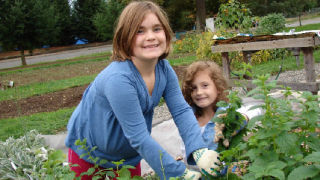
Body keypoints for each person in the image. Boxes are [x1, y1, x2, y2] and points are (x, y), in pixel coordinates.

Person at [65, 1, 220, 179]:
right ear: (125, 37)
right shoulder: (119, 80)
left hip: (127, 155)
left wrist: (199, 150)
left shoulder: (164, 69)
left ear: (166, 34)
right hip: (89, 151)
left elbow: (181, 110)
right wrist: (179, 173)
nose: (151, 36)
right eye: (140, 31)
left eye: (156, 29)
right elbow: (139, 136)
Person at [181, 61, 253, 175]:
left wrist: (243, 117)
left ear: (218, 87)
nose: (199, 92)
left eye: (205, 86)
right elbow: (187, 152)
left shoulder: (226, 114)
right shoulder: (189, 119)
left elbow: (251, 111)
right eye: (193, 88)